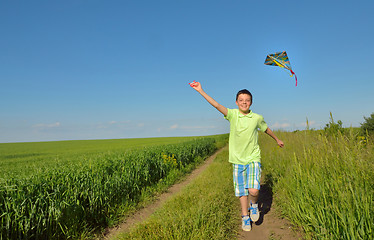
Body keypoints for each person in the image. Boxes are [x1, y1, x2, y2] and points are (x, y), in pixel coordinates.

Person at [190, 81, 284, 231]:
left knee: (253, 190)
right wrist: (201, 90)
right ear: (236, 102)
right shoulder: (232, 114)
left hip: (253, 158)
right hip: (237, 160)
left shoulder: (257, 118)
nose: (244, 103)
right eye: (241, 100)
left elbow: (266, 129)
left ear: (251, 102)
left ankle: (254, 206)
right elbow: (216, 105)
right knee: (242, 192)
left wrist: (277, 139)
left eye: (247, 100)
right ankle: (244, 216)